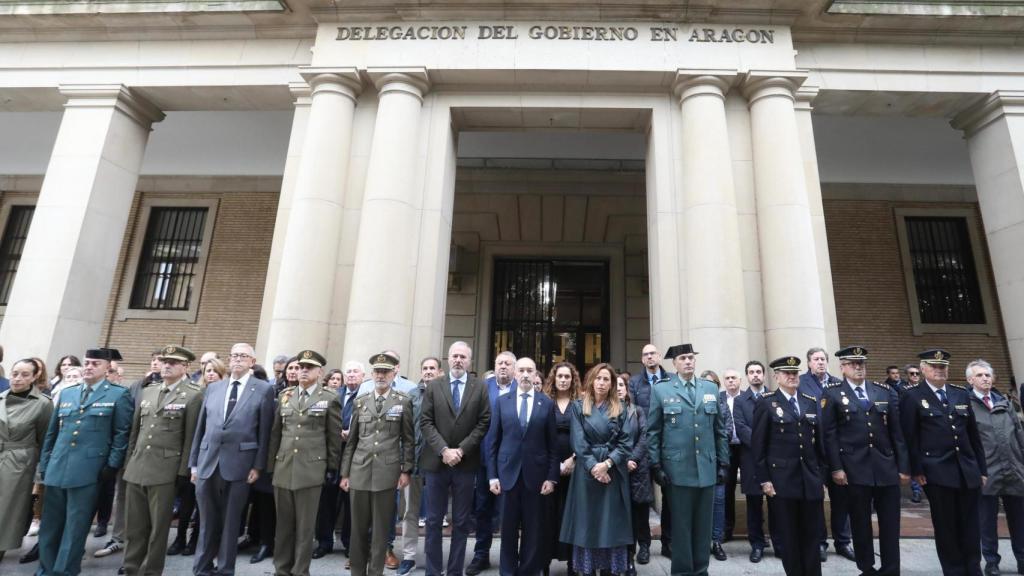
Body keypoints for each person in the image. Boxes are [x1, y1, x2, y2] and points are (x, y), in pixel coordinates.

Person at [37, 347, 133, 576]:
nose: (89, 367)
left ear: (106, 367)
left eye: (95, 364)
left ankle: (65, 571)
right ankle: (45, 569)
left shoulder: (118, 395)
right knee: (50, 526)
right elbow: (52, 433)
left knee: (75, 527)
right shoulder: (68, 393)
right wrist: (46, 462)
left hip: (89, 470)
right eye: (87, 362)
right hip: (58, 467)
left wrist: (112, 465)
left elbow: (121, 434)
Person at [821, 346, 909, 576]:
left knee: (890, 523)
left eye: (861, 363)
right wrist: (836, 468)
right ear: (842, 367)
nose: (858, 368)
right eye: (852, 364)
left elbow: (897, 433)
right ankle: (867, 567)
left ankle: (891, 569)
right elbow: (829, 435)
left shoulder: (883, 391)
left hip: (885, 466)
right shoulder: (831, 394)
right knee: (860, 523)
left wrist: (903, 466)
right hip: (853, 468)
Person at [189, 342, 275, 576]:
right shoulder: (215, 388)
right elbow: (201, 428)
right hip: (208, 462)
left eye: (243, 356)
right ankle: (202, 568)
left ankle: (225, 569)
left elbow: (265, 431)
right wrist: (194, 463)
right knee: (206, 521)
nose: (237, 359)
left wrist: (258, 465)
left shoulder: (263, 389)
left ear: (252, 362)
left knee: (230, 521)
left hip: (241, 464)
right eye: (234, 355)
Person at [901, 349, 987, 576]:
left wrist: (982, 469)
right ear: (923, 369)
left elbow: (973, 435)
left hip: (967, 469)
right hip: (936, 471)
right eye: (935, 367)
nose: (940, 371)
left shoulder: (960, 394)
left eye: (943, 367)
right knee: (946, 526)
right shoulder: (911, 396)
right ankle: (954, 570)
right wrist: (916, 469)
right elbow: (910, 437)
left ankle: (973, 567)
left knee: (970, 524)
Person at [121, 345, 203, 576]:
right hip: (138, 466)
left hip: (165, 469)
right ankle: (130, 567)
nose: (166, 365)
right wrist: (129, 462)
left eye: (173, 362)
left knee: (158, 528)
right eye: (164, 361)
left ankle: (151, 570)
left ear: (186, 367)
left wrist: (183, 472)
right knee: (135, 525)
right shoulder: (149, 391)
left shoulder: (194, 394)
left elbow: (190, 437)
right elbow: (136, 431)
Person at [646, 344, 728, 576]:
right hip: (676, 470)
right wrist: (656, 465)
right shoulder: (661, 390)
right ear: (674, 363)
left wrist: (723, 463)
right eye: (683, 358)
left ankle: (701, 570)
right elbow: (653, 431)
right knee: (681, 528)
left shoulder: (710, 387)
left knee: (703, 527)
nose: (688, 362)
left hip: (707, 468)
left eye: (691, 358)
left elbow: (720, 430)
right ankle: (682, 572)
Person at [266, 350, 344, 576]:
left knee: (305, 528)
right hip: (284, 467)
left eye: (309, 368)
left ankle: (300, 571)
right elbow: (275, 434)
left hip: (311, 469)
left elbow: (333, 436)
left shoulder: (329, 398)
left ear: (320, 372)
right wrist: (271, 466)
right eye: (300, 367)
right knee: (283, 526)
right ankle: (281, 570)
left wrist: (332, 467)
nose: (303, 371)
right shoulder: (286, 395)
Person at [419, 341, 491, 576]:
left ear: (470, 361)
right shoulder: (434, 386)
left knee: (461, 523)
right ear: (448, 360)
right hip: (436, 463)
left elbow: (484, 422)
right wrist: (444, 450)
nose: (458, 360)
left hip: (465, 464)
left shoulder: (479, 387)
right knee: (432, 521)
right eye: (454, 356)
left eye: (463, 356)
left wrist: (461, 450)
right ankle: (432, 571)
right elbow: (426, 422)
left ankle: (454, 572)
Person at [341, 352, 414, 576]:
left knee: (381, 530)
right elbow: (352, 440)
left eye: (386, 371)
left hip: (387, 472)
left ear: (394, 373)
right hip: (360, 470)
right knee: (358, 529)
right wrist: (345, 473)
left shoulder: (403, 401)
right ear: (372, 374)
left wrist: (406, 470)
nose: (381, 375)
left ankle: (375, 572)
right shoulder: (361, 401)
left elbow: (408, 439)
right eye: (378, 371)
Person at [752, 356, 825, 576]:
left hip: (809, 480)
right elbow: (758, 447)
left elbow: (819, 443)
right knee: (789, 536)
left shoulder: (809, 400)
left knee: (812, 534)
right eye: (786, 373)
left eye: (794, 373)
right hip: (782, 481)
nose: (792, 377)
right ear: (776, 376)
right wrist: (764, 480)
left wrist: (821, 475)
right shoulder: (766, 402)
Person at [487, 357, 558, 576]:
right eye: (522, 370)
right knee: (507, 529)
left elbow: (552, 445)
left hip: (536, 477)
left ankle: (528, 571)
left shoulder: (545, 403)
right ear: (515, 374)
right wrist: (492, 476)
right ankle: (507, 571)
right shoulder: (502, 402)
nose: (526, 375)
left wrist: (551, 477)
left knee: (532, 529)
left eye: (530, 371)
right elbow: (493, 441)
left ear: (536, 374)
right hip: (507, 475)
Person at [560, 363, 633, 575]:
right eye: (598, 378)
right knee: (587, 522)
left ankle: (610, 569)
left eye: (606, 380)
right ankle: (587, 569)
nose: (601, 383)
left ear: (612, 384)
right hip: (586, 472)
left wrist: (607, 464)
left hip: (613, 472)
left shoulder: (620, 407)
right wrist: (594, 467)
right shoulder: (578, 406)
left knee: (611, 523)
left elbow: (626, 442)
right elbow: (578, 441)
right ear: (591, 380)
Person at [966, 359, 1024, 576]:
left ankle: (1022, 559)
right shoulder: (967, 404)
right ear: (970, 379)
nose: (985, 379)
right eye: (980, 375)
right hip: (986, 472)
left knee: (1019, 520)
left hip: (1014, 469)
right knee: (986, 521)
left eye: (988, 375)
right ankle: (991, 562)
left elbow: (1019, 435)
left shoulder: (1005, 403)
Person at [798, 346, 852, 563]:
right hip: (813, 450)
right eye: (815, 359)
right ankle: (819, 542)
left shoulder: (839, 383)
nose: (820, 362)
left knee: (841, 500)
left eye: (823, 359)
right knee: (815, 500)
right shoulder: (800, 382)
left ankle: (843, 542)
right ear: (809, 363)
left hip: (837, 451)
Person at [468, 350, 518, 575]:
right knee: (482, 509)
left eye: (508, 363)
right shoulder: (482, 388)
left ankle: (509, 558)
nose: (503, 367)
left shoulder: (522, 389)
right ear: (494, 366)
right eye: (499, 363)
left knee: (509, 512)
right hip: (484, 459)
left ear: (514, 368)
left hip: (511, 462)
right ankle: (481, 555)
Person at [0, 358, 54, 562]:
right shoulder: (1, 397)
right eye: (15, 373)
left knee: (5, 512)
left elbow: (45, 439)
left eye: (24, 374)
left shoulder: (42, 404)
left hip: (19, 462)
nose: (18, 378)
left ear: (34, 377)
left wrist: (39, 472)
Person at [244, 356, 296, 564]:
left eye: (296, 368)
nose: (293, 371)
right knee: (263, 501)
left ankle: (282, 544)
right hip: (269, 454)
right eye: (290, 368)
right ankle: (263, 541)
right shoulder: (272, 391)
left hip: (293, 457)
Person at [396, 356, 441, 575]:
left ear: (440, 371)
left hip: (437, 464)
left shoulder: (446, 394)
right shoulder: (411, 396)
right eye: (425, 368)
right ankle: (409, 557)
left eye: (432, 368)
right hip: (412, 461)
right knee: (410, 512)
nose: (428, 371)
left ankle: (434, 557)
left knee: (435, 514)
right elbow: (403, 431)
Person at [627, 343, 671, 561]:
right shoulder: (634, 382)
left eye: (653, 353)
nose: (650, 357)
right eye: (645, 354)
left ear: (659, 356)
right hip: (644, 447)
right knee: (642, 500)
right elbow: (635, 415)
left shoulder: (671, 379)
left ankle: (668, 543)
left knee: (670, 498)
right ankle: (643, 546)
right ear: (642, 359)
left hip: (668, 446)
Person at [733, 360, 775, 562]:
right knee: (754, 505)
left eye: (759, 371)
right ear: (747, 376)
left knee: (777, 504)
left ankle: (780, 543)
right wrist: (761, 443)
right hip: (750, 459)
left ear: (764, 375)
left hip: (774, 459)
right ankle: (756, 545)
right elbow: (740, 428)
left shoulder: (774, 397)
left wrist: (768, 445)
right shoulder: (740, 400)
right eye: (751, 372)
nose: (756, 375)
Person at [542, 362, 580, 576]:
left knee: (571, 514)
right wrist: (554, 464)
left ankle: (572, 564)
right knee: (548, 515)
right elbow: (540, 436)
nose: (564, 380)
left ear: (572, 379)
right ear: (554, 379)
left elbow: (586, 435)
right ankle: (545, 561)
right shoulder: (545, 402)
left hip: (575, 465)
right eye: (560, 376)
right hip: (549, 467)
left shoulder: (581, 403)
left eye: (567, 376)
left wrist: (572, 459)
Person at [617, 373, 651, 576]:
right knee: (624, 517)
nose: (619, 388)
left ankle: (644, 546)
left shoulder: (637, 411)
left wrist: (633, 459)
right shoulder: (607, 411)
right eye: (617, 385)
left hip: (637, 469)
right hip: (617, 469)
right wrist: (622, 460)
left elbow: (644, 437)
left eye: (622, 385)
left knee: (640, 511)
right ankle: (627, 556)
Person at [718, 369, 743, 546]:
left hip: (746, 448)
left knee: (753, 488)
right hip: (727, 448)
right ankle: (727, 529)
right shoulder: (719, 398)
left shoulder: (747, 398)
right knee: (727, 489)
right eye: (727, 378)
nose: (731, 381)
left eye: (734, 378)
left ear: (740, 380)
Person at [903, 362, 925, 503]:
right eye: (912, 373)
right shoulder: (903, 390)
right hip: (911, 430)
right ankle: (917, 490)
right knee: (914, 460)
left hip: (925, 431)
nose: (915, 376)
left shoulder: (924, 389)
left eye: (917, 373)